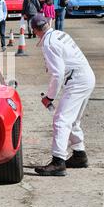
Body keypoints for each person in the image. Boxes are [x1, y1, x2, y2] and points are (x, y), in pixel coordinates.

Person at [30, 14, 95, 176]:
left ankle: (58, 162)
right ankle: (79, 155)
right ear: (48, 23)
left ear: (34, 31)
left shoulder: (48, 43)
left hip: (77, 80)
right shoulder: (60, 34)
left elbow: (57, 73)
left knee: (61, 120)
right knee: (72, 120)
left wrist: (49, 97)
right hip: (85, 76)